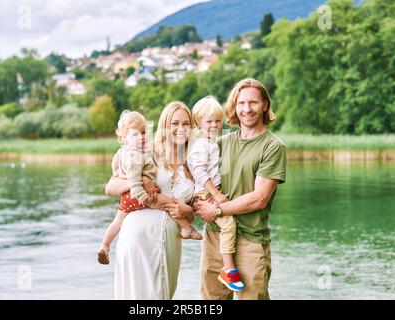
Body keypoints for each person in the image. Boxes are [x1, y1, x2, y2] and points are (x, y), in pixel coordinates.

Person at [195, 78, 287, 300]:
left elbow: (259, 199)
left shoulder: (273, 147)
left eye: (253, 103)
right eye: (241, 103)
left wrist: (217, 211)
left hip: (250, 240)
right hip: (216, 237)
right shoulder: (220, 143)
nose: (247, 109)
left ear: (265, 105)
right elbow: (196, 176)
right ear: (234, 107)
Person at [105, 101, 198, 299]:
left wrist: (187, 212)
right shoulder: (146, 151)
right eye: (175, 123)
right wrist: (137, 183)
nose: (180, 129)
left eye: (186, 124)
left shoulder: (194, 162)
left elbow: (190, 216)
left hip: (171, 241)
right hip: (138, 236)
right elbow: (110, 187)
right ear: (165, 125)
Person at [187, 96, 245, 292]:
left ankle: (227, 267)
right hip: (206, 193)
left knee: (227, 224)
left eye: (217, 121)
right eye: (209, 121)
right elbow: (199, 172)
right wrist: (216, 195)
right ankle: (228, 269)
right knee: (228, 224)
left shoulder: (210, 142)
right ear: (198, 123)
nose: (214, 125)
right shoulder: (201, 145)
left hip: (210, 191)